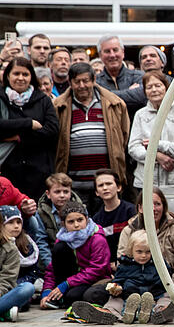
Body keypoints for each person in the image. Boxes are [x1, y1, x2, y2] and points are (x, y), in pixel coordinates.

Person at [76, 188, 174, 325]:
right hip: (131, 286)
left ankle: (161, 312)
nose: (153, 209)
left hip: (162, 285)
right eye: (148, 204)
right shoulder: (128, 230)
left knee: (171, 297)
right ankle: (108, 313)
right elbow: (122, 264)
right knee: (108, 297)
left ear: (164, 206)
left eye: (157, 204)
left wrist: (168, 285)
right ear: (140, 208)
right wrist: (118, 287)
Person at [53, 62, 131, 204]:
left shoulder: (115, 104)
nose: (82, 85)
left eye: (86, 81)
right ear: (70, 82)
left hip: (106, 184)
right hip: (74, 185)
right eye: (77, 82)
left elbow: (124, 136)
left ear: (94, 80)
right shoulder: (59, 106)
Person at [127, 71, 174, 217]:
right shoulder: (140, 114)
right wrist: (157, 156)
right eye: (149, 87)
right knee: (148, 221)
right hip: (146, 180)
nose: (154, 90)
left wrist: (157, 144)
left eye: (158, 85)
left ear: (167, 87)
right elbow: (133, 147)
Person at [0, 57, 59, 200]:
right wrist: (28, 123)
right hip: (7, 169)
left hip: (39, 171)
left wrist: (18, 137)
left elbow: (52, 130)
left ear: (31, 77)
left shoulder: (43, 100)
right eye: (16, 73)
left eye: (25, 74)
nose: (21, 78)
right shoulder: (1, 98)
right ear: (8, 76)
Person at [40, 201, 109, 310]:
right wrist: (47, 291)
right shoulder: (62, 239)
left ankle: (61, 298)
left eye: (80, 220)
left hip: (94, 279)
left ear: (87, 219)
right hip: (73, 279)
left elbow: (97, 269)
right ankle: (55, 297)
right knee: (59, 248)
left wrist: (67, 284)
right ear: (64, 224)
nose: (76, 225)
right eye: (71, 222)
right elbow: (52, 269)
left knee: (73, 297)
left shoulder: (97, 238)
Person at [0, 206, 40, 322]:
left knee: (27, 288)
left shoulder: (10, 249)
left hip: (3, 291)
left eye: (18, 222)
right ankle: (5, 312)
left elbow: (7, 279)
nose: (16, 226)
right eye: (10, 222)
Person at [90, 169, 137, 263]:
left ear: (119, 187)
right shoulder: (96, 219)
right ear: (96, 192)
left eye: (109, 184)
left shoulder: (131, 211)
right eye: (100, 185)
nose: (105, 188)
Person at [94, 35, 146, 113]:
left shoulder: (139, 76)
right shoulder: (95, 81)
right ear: (100, 55)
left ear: (123, 52)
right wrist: (129, 92)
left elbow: (141, 97)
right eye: (107, 51)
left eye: (115, 50)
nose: (112, 55)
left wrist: (105, 95)